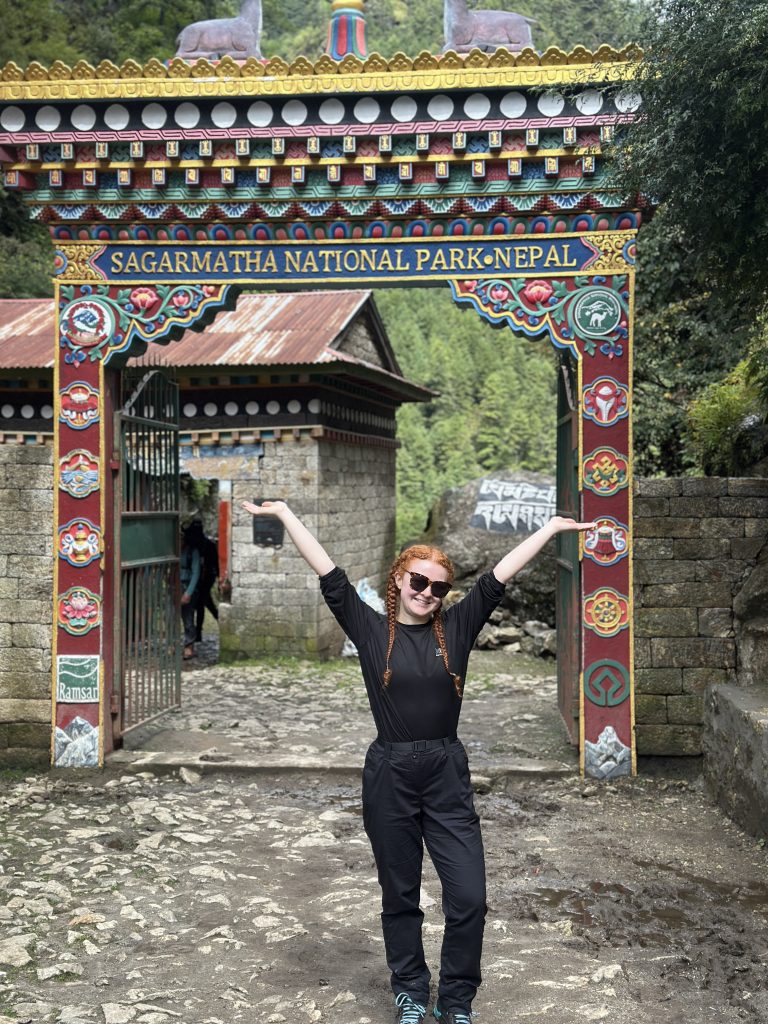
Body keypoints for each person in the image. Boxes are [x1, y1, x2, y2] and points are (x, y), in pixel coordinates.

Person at [241, 499, 594, 1024]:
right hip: (390, 773)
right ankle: (409, 990)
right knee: (400, 893)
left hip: (446, 772)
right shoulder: (368, 629)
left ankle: (456, 1001)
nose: (427, 594)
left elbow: (498, 576)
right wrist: (286, 514)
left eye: (437, 587)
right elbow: (329, 571)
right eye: (418, 582)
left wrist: (552, 528)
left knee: (469, 896)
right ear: (399, 580)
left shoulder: (456, 629)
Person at [180, 522, 202, 659]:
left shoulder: (192, 552)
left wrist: (188, 592)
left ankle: (189, 645)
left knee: (188, 618)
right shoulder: (173, 551)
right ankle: (173, 644)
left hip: (187, 586)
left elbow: (196, 573)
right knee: (171, 617)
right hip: (174, 586)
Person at [195, 531, 220, 642]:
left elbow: (215, 561)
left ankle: (198, 632)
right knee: (206, 602)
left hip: (208, 576)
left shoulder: (208, 545)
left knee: (201, 602)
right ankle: (218, 617)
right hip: (199, 576)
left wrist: (219, 576)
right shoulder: (198, 543)